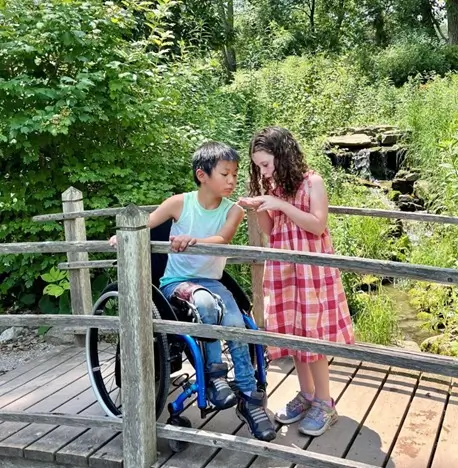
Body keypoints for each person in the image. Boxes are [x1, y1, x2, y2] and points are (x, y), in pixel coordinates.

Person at [109, 141, 276, 442]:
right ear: (202, 174)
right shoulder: (179, 203)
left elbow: (222, 238)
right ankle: (214, 375)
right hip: (177, 282)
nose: (231, 180)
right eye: (225, 173)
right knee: (204, 304)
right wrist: (120, 237)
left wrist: (193, 240)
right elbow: (144, 224)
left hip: (213, 281)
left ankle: (250, 396)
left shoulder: (233, 211)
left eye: (235, 175)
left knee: (239, 324)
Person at [238, 126, 355, 437]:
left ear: (283, 155)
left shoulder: (312, 182)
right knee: (293, 334)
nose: (262, 170)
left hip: (312, 270)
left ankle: (325, 402)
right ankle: (306, 395)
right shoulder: (275, 187)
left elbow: (317, 225)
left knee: (313, 337)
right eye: (258, 166)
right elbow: (269, 232)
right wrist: (259, 208)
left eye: (265, 163)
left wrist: (282, 206)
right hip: (284, 268)